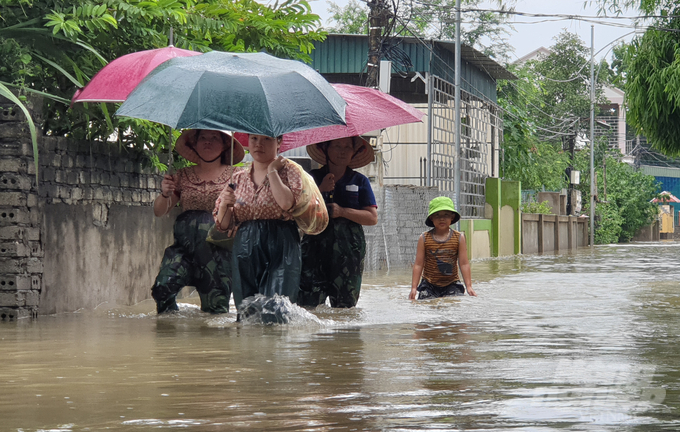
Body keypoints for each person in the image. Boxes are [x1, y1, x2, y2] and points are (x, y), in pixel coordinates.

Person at [151, 129, 245, 314]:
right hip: (184, 249)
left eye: (214, 138)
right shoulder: (181, 176)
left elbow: (246, 210)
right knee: (163, 288)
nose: (207, 142)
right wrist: (165, 193)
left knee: (215, 310)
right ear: (193, 143)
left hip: (217, 254)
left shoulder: (237, 176)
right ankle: (169, 339)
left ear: (226, 144)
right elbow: (159, 211)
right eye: (202, 137)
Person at [213, 134, 304, 316]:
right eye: (254, 138)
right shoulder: (237, 178)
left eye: (266, 139)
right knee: (246, 310)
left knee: (277, 308)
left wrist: (272, 171)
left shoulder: (290, 172)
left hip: (281, 242)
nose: (258, 144)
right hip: (245, 245)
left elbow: (287, 203)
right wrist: (225, 204)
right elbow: (223, 225)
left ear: (279, 142)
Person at [298, 136, 378, 308]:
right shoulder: (312, 177)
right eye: (337, 146)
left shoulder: (360, 181)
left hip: (348, 252)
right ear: (325, 149)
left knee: (346, 307)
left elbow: (372, 218)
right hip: (313, 250)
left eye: (347, 147)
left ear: (354, 152)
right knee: (308, 305)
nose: (342, 151)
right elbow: (299, 210)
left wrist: (342, 212)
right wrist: (320, 190)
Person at [410, 196, 476, 300]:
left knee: (452, 304)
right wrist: (414, 288)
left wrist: (469, 286)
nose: (442, 218)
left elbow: (464, 263)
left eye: (446, 215)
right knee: (426, 305)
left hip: (451, 284)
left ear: (452, 217)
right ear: (431, 218)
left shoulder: (459, 237)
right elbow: (418, 264)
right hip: (429, 284)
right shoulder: (424, 238)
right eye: (437, 215)